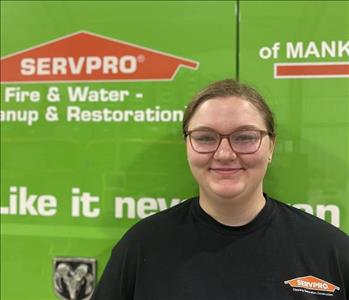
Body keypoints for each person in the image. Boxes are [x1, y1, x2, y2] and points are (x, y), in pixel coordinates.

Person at [92, 79, 349, 300]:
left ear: (271, 147)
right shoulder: (142, 247)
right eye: (205, 137)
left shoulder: (331, 251)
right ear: (187, 146)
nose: (224, 154)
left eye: (245, 137)